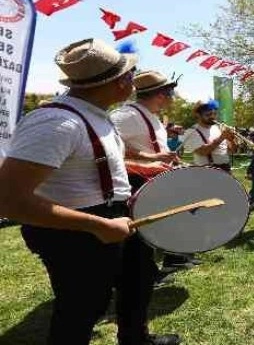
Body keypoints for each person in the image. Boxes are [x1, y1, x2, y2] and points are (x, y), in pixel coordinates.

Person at [0, 38, 180, 344]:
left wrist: (146, 159)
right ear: (118, 82)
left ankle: (136, 339)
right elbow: (8, 200)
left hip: (116, 216)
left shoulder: (95, 115)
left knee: (139, 280)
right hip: (75, 229)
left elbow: (97, 159)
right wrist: (96, 225)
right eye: (128, 75)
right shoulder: (56, 123)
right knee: (82, 308)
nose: (132, 82)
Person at [111, 70, 195, 272]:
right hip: (136, 182)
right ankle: (145, 275)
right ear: (161, 95)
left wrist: (173, 162)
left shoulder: (153, 117)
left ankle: (172, 259)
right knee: (142, 233)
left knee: (165, 222)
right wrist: (151, 159)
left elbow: (156, 148)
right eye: (170, 94)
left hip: (157, 180)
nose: (172, 98)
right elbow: (110, 147)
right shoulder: (125, 116)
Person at [183, 100, 238, 172]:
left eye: (214, 114)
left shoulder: (218, 128)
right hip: (207, 172)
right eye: (208, 115)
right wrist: (222, 137)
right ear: (198, 115)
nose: (212, 117)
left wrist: (232, 140)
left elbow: (232, 151)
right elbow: (203, 152)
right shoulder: (191, 132)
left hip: (225, 169)